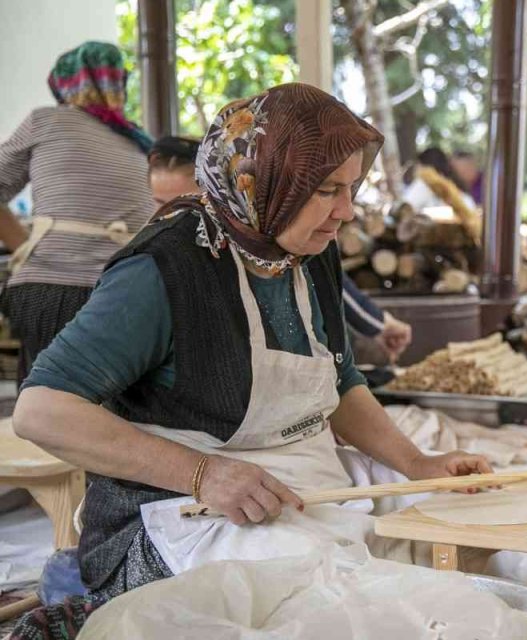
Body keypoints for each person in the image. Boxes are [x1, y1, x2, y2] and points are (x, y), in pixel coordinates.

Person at [11, 84, 491, 617]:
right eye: (329, 189)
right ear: (267, 182)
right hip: (181, 512)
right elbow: (41, 412)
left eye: (351, 188)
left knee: (460, 525)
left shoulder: (308, 249)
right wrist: (204, 474)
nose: (348, 212)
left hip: (306, 480)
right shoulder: (163, 272)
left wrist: (418, 464)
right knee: (336, 590)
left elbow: (340, 380)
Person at [147, 135, 413, 362]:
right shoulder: (150, 273)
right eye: (162, 204)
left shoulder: (264, 248)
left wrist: (378, 323)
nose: (176, 218)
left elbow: (323, 278)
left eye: (191, 203)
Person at [0, 41, 154, 386]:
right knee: (118, 402)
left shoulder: (47, 120)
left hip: (55, 288)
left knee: (52, 403)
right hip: (132, 289)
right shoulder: (140, 142)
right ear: (118, 83)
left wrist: (24, 247)